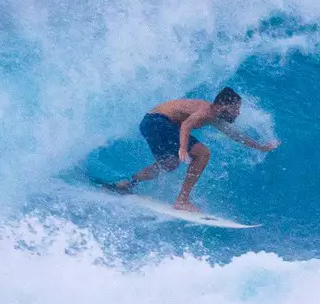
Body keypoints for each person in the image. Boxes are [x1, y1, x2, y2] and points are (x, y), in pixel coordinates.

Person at [107, 87, 277, 211]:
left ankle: (127, 183)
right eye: (236, 109)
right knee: (203, 154)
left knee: (169, 163)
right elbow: (187, 125)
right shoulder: (206, 111)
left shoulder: (213, 115)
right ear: (224, 105)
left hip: (149, 123)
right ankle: (182, 200)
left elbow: (234, 135)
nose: (238, 114)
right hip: (158, 121)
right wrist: (182, 148)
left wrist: (261, 147)